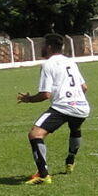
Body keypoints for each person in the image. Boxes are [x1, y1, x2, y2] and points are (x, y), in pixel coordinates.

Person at [17, 33, 89, 184]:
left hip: (63, 107)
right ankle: (70, 161)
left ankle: (43, 175)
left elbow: (45, 94)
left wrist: (28, 99)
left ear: (49, 47)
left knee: (35, 135)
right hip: (82, 107)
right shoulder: (70, 62)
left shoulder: (48, 64)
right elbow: (84, 87)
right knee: (75, 128)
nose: (41, 48)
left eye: (43, 45)